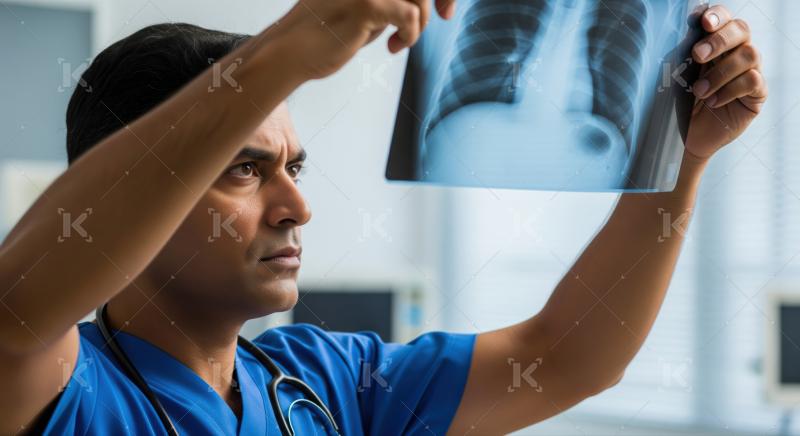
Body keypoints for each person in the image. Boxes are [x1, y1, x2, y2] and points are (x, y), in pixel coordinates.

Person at [0, 1, 766, 434]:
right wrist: (289, 50)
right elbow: (15, 310)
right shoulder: (67, 388)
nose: (296, 206)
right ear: (147, 197)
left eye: (293, 167)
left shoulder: (326, 383)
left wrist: (684, 156)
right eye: (244, 169)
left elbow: (570, 356)